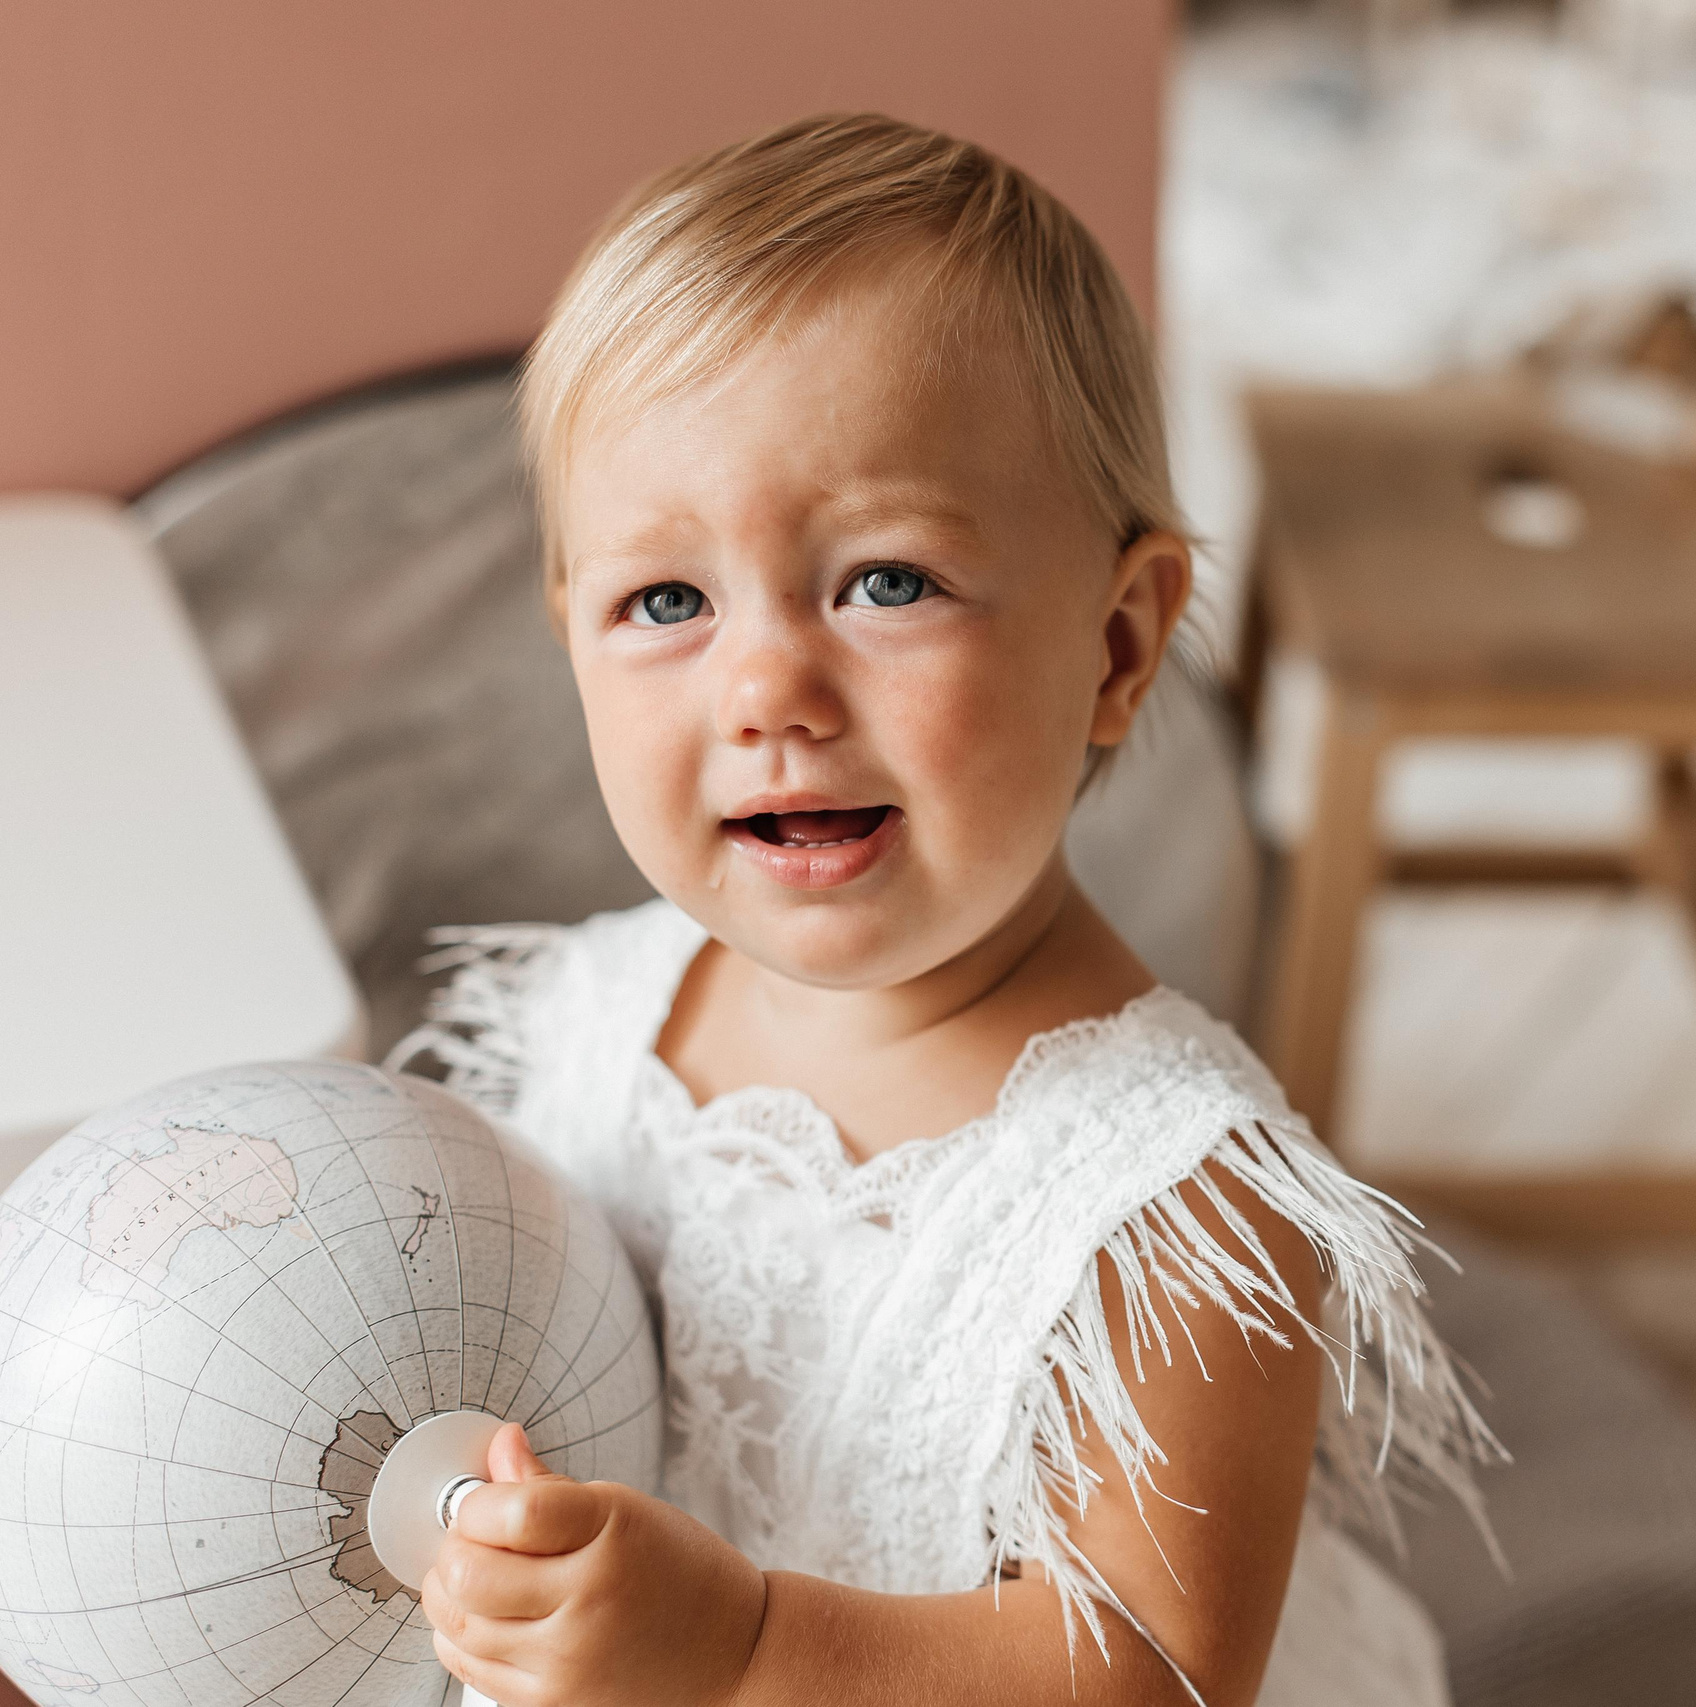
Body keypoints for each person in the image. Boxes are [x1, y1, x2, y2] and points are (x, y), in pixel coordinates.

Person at [390, 113, 1496, 1707]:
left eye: (886, 582)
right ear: (572, 636)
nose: (767, 689)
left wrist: (743, 1649)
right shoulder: (583, 1026)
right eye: (667, 601)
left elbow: (1153, 1671)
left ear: (1118, 647)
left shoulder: (1171, 1207)